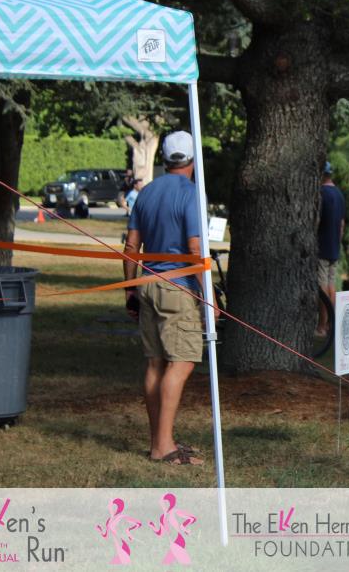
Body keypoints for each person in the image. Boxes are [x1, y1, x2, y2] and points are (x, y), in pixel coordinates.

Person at [123, 131, 211, 465]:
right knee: (182, 362)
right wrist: (209, 296)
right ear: (192, 160)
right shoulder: (191, 193)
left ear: (164, 159)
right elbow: (195, 249)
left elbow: (131, 246)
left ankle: (160, 441)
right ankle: (163, 446)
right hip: (178, 287)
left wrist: (130, 289)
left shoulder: (145, 192)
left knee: (155, 363)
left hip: (147, 283)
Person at [317, 161, 345, 337]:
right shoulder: (339, 194)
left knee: (322, 288)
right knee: (331, 285)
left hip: (322, 247)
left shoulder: (321, 193)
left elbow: (316, 220)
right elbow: (342, 224)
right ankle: (331, 324)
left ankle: (321, 325)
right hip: (334, 247)